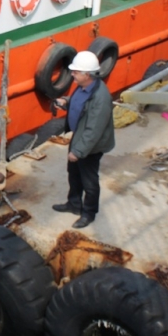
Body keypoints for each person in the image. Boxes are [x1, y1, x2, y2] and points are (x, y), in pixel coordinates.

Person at [51, 50, 115, 229]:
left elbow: (93, 130)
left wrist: (78, 151)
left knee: (89, 181)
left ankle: (88, 213)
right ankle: (73, 204)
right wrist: (66, 101)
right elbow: (79, 101)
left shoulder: (100, 98)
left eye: (75, 72)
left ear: (87, 74)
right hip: (79, 137)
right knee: (74, 173)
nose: (72, 74)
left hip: (90, 146)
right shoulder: (84, 86)